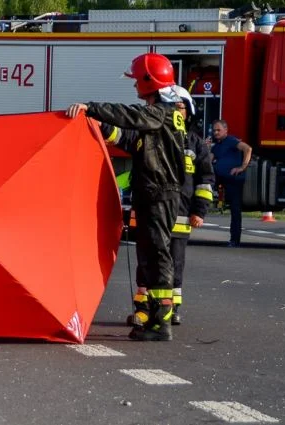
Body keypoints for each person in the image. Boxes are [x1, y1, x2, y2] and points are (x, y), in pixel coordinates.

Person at [66, 53, 186, 341]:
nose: (134, 87)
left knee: (157, 255)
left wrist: (91, 108)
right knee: (148, 255)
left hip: (158, 194)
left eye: (136, 81)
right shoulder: (159, 120)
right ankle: (151, 317)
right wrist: (98, 127)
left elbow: (130, 115)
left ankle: (160, 322)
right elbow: (129, 138)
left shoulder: (162, 113)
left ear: (149, 81)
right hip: (152, 193)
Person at [102, 86, 214, 327]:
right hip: (152, 210)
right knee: (146, 261)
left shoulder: (195, 143)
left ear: (188, 111)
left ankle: (170, 309)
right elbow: (122, 137)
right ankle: (144, 309)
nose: (175, 110)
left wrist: (199, 210)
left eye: (180, 107)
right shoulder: (149, 133)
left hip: (180, 216)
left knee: (173, 262)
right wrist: (99, 124)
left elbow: (205, 180)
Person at [209, 119, 252, 247]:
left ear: (226, 130)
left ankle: (235, 240)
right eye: (214, 130)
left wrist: (242, 167)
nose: (216, 133)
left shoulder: (231, 141)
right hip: (221, 180)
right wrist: (205, 148)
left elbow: (248, 148)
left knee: (235, 210)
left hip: (234, 181)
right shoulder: (216, 146)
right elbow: (209, 160)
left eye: (218, 130)